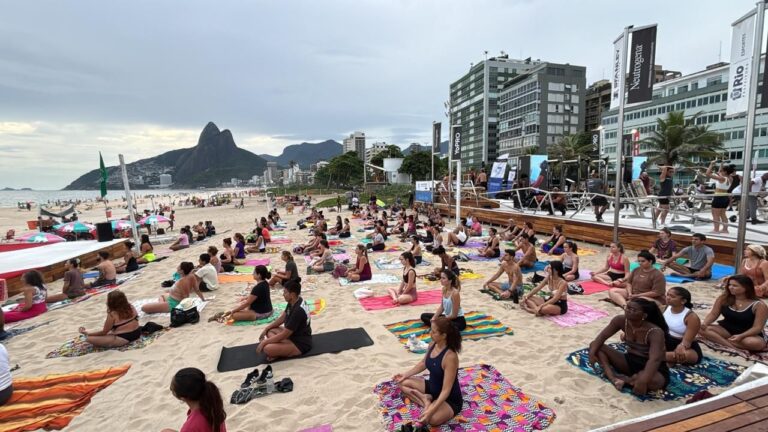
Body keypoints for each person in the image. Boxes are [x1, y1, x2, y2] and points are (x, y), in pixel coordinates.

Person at [588, 298, 670, 395]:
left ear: (644, 315)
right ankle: (613, 377)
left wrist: (643, 380)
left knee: (654, 382)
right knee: (596, 346)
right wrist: (592, 354)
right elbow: (602, 337)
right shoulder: (620, 320)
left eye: (633, 310)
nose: (628, 311)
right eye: (628, 307)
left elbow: (654, 359)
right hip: (629, 361)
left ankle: (627, 380)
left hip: (653, 367)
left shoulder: (655, 331)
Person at [393, 317, 463, 428]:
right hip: (432, 387)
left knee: (432, 419)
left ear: (444, 335)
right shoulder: (432, 344)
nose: (431, 333)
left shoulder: (450, 357)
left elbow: (446, 390)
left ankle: (427, 403)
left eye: (434, 332)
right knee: (402, 383)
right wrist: (405, 374)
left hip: (449, 399)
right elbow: (423, 363)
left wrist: (430, 412)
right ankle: (426, 401)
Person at [699, 275, 768, 352]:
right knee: (700, 328)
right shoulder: (723, 298)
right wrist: (705, 323)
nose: (730, 287)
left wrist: (741, 336)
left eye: (735, 286)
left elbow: (757, 328)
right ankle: (732, 346)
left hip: (748, 334)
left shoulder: (759, 305)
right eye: (729, 285)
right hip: (726, 329)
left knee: (755, 344)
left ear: (746, 288)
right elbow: (713, 314)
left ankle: (719, 340)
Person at [258, 280, 312, 361]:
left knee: (267, 349)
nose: (283, 294)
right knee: (270, 330)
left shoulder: (298, 310)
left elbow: (284, 334)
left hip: (300, 344)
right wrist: (266, 328)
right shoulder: (294, 301)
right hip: (292, 336)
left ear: (292, 294)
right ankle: (279, 350)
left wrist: (265, 342)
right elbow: (282, 318)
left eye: (285, 292)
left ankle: (279, 352)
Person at [161, 367, 227, 432]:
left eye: (173, 390)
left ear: (182, 398)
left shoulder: (190, 426)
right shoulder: (213, 405)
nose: (171, 389)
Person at [141, 262, 206, 314]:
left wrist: (184, 307)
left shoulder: (182, 282)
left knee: (144, 308)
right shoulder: (192, 276)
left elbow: (185, 297)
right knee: (162, 295)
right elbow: (197, 290)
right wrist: (203, 299)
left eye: (179, 267)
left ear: (182, 271)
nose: (177, 268)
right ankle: (161, 304)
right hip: (172, 298)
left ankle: (161, 305)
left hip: (173, 303)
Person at [663, 287, 702, 365]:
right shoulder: (665, 308)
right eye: (668, 295)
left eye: (672, 296)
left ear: (683, 301)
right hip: (666, 342)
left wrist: (681, 347)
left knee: (682, 355)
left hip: (685, 346)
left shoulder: (691, 317)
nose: (668, 298)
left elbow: (687, 342)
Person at [701, 161, 734, 234]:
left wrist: (711, 164)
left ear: (725, 172)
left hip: (719, 197)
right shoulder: (730, 178)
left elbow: (707, 174)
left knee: (715, 214)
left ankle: (716, 230)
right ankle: (725, 230)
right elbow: (720, 171)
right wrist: (721, 164)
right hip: (725, 197)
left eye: (722, 171)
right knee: (723, 214)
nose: (720, 171)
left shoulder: (722, 178)